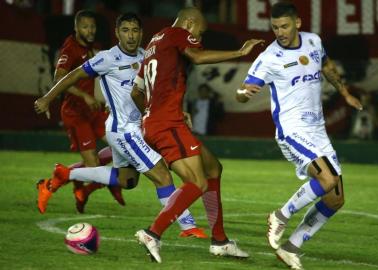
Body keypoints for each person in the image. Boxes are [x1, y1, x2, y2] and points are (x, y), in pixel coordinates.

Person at [34, 12, 207, 239]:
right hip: (124, 131)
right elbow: (73, 75)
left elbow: (161, 89)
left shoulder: (148, 55)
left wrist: (177, 110)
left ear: (142, 33)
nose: (131, 36)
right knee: (163, 176)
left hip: (141, 128)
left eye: (135, 31)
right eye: (125, 31)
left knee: (128, 180)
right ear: (117, 33)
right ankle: (188, 227)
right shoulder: (107, 58)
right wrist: (47, 98)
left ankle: (65, 174)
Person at [235, 3, 362, 269]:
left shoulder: (314, 42)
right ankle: (280, 215)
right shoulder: (269, 57)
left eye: (284, 26)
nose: (279, 32)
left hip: (318, 131)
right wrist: (242, 95)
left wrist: (345, 93)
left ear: (298, 23)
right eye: (275, 27)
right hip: (291, 130)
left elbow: (326, 65)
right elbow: (245, 90)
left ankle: (291, 247)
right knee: (326, 180)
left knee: (336, 198)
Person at [131, 7, 263, 263]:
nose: (199, 38)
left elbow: (136, 92)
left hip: (160, 121)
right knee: (198, 183)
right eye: (199, 32)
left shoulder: (153, 43)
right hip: (167, 124)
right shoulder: (178, 33)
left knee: (213, 169)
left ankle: (220, 241)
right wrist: (240, 52)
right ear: (189, 23)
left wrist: (153, 113)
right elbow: (197, 56)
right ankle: (152, 233)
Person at [36, 9, 124, 214]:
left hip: (93, 110)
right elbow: (59, 79)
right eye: (85, 27)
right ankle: (50, 184)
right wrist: (84, 96)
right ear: (76, 28)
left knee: (121, 147)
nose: (90, 30)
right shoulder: (70, 48)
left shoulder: (95, 47)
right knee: (94, 168)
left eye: (92, 26)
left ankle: (83, 190)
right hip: (76, 113)